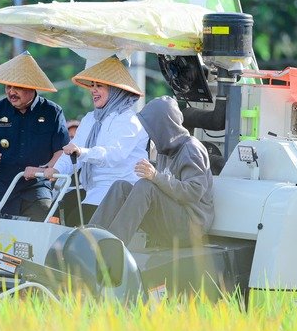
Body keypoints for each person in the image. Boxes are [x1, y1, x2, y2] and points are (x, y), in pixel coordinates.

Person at [89, 96, 214, 249]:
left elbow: (193, 192)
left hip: (190, 228)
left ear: (163, 127)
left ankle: (112, 250)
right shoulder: (165, 150)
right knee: (120, 187)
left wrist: (155, 176)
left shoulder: (191, 149)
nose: (149, 134)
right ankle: (89, 241)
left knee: (145, 186)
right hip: (171, 221)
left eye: (151, 128)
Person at [46, 57, 148, 226]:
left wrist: (82, 152)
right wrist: (55, 170)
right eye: (92, 85)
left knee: (75, 225)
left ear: (116, 90)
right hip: (92, 192)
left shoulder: (129, 121)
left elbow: (114, 154)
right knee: (61, 220)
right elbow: (72, 150)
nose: (93, 90)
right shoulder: (90, 118)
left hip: (119, 195)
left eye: (99, 86)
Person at [0, 52, 69, 220]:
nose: (11, 92)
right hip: (0, 189)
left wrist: (42, 171)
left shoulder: (53, 112)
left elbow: (61, 153)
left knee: (42, 219)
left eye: (16, 87)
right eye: (7, 87)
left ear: (32, 86)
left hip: (37, 187)